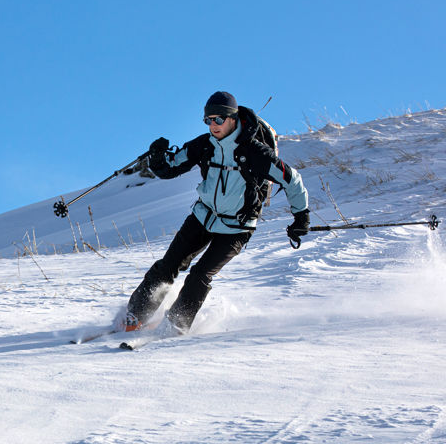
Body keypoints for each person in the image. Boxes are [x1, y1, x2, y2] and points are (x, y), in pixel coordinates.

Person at [123, 91, 310, 335]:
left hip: (236, 228)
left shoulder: (254, 152)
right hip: (203, 217)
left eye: (218, 119)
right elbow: (171, 168)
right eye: (208, 120)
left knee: (200, 274)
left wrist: (301, 217)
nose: (213, 125)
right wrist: (158, 158)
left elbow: (292, 180)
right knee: (168, 266)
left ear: (233, 119)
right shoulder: (204, 145)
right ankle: (135, 315)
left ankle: (176, 324)